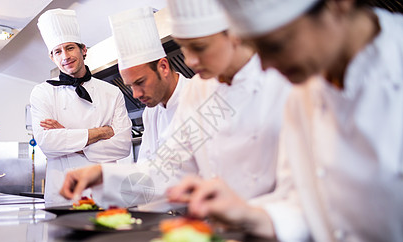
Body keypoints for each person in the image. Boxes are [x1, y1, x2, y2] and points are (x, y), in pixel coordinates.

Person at [169, 0, 403, 242]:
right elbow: (302, 203)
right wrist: (249, 215)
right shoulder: (303, 94)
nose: (266, 66)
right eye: (257, 48)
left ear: (338, 5)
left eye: (276, 45)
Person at [59, 0, 291, 211]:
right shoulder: (202, 88)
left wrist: (248, 214)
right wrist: (103, 175)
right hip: (216, 231)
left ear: (234, 35)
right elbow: (168, 168)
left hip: (275, 233)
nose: (189, 61)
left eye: (199, 47)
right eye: (184, 48)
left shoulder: (282, 80)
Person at [30, 9, 132, 207]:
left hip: (104, 194)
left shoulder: (112, 92)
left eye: (70, 48)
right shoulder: (42, 92)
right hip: (62, 195)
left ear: (83, 50)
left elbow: (123, 146)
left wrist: (67, 137)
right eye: (58, 51)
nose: (65, 56)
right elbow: (47, 144)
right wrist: (101, 132)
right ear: (52, 57)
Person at [109, 7, 190, 163]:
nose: (136, 94)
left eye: (140, 82)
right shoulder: (150, 113)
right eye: (130, 86)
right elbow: (147, 166)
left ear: (163, 67)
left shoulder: (200, 98)